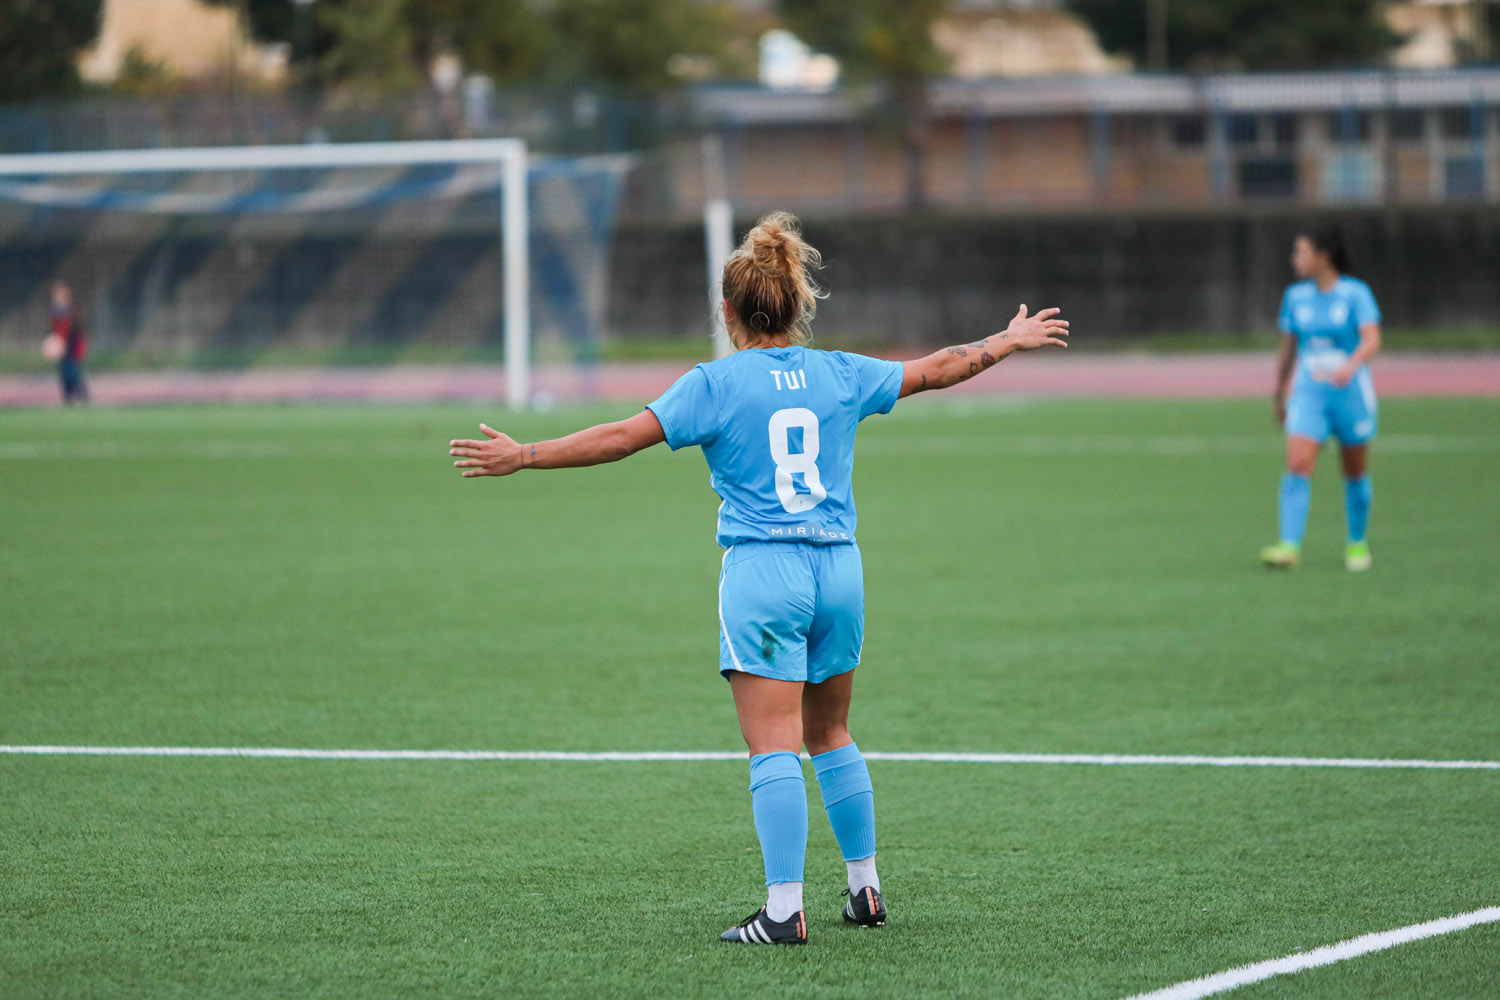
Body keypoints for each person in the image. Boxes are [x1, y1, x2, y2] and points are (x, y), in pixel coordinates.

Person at [448, 212, 1069, 945]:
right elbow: (936, 368)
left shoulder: (714, 384)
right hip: (839, 570)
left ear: (727, 311)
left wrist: (523, 455)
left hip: (765, 574)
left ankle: (782, 911)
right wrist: (1006, 340)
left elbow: (619, 438)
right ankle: (865, 890)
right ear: (798, 305)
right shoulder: (839, 372)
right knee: (831, 732)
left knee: (774, 742)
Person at [1261, 228, 1381, 572]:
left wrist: (1351, 366)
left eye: (1301, 252)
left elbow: (1371, 339)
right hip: (1309, 394)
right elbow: (1288, 348)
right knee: (1298, 464)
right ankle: (1289, 546)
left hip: (1350, 395)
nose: (1294, 259)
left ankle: (1356, 543)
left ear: (1323, 256)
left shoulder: (1355, 294)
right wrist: (1279, 391)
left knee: (1355, 471)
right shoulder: (1295, 297)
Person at [49, 282, 89, 404]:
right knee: (64, 372)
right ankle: (68, 395)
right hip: (62, 346)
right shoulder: (55, 310)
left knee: (72, 371)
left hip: (71, 345)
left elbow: (75, 330)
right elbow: (54, 330)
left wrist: (79, 345)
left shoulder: (70, 311)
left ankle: (81, 392)